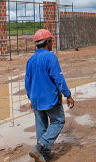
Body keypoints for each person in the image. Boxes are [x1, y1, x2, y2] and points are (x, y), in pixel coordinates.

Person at [25, 29, 74, 162]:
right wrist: (68, 95)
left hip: (36, 99)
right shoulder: (50, 57)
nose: (52, 44)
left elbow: (27, 82)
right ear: (47, 43)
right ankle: (40, 147)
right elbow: (58, 78)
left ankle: (44, 155)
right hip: (49, 98)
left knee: (41, 126)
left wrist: (31, 98)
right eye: (51, 41)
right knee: (58, 121)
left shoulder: (30, 60)